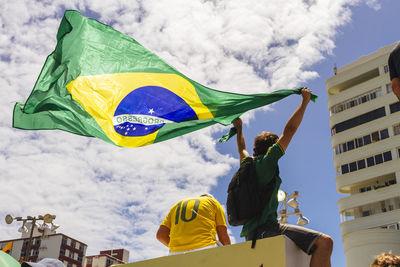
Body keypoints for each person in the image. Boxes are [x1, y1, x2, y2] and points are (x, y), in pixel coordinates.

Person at [232, 88, 333, 267]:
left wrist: (239, 128)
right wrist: (305, 102)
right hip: (267, 230)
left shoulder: (247, 164)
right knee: (325, 242)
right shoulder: (268, 162)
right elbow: (290, 130)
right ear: (272, 148)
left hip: (251, 235)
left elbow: (242, 149)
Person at [156, 193, 231, 254]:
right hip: (206, 248)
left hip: (175, 253)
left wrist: (177, 248)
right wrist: (229, 256)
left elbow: (160, 235)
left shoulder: (176, 205)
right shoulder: (213, 202)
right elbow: (223, 235)